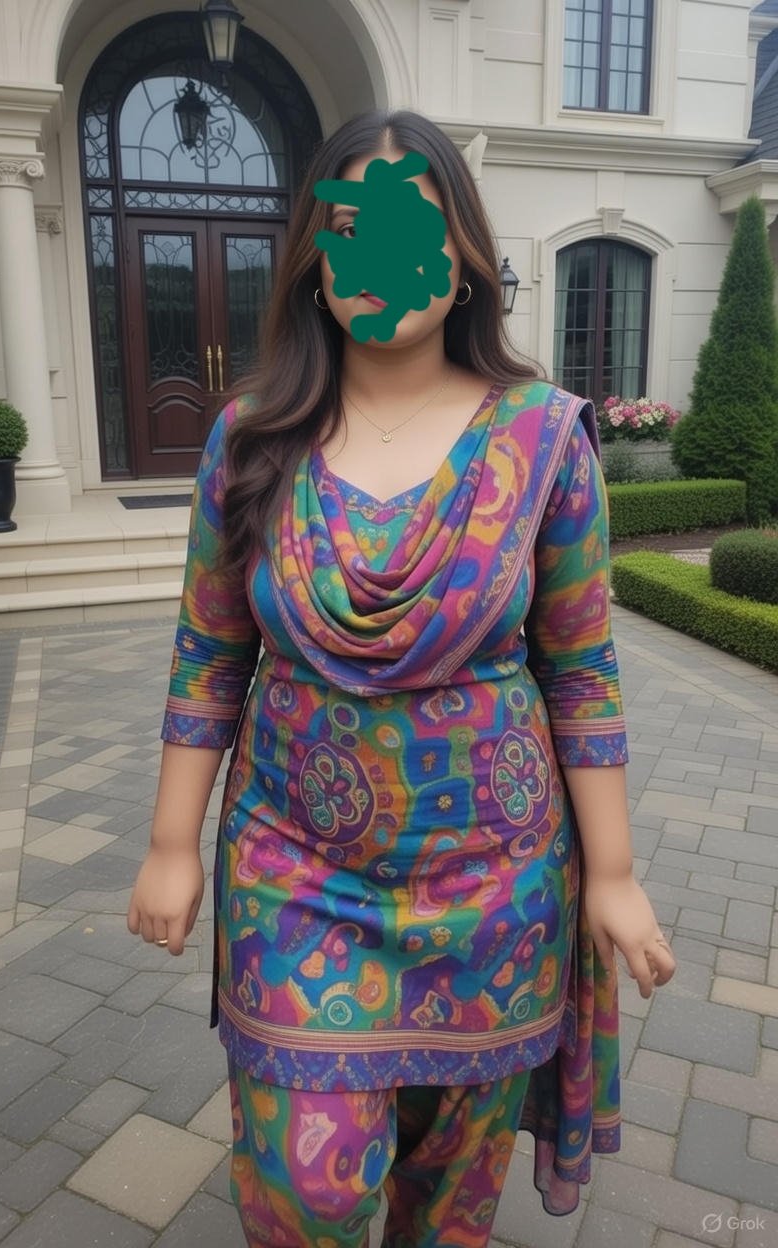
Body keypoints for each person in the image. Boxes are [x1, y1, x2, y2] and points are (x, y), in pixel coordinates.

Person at [127, 108, 677, 1248]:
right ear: (314, 264)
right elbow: (210, 651)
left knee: (449, 1202)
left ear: (464, 255)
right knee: (306, 1193)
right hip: (293, 870)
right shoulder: (251, 439)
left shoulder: (542, 440)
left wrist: (615, 872)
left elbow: (580, 671)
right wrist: (172, 845)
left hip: (496, 887)